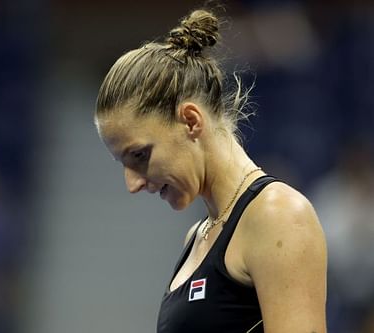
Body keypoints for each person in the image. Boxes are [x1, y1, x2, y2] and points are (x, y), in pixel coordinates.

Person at [94, 9, 327, 333]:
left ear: (191, 120)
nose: (133, 183)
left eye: (139, 155)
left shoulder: (279, 216)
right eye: (124, 163)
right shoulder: (197, 236)